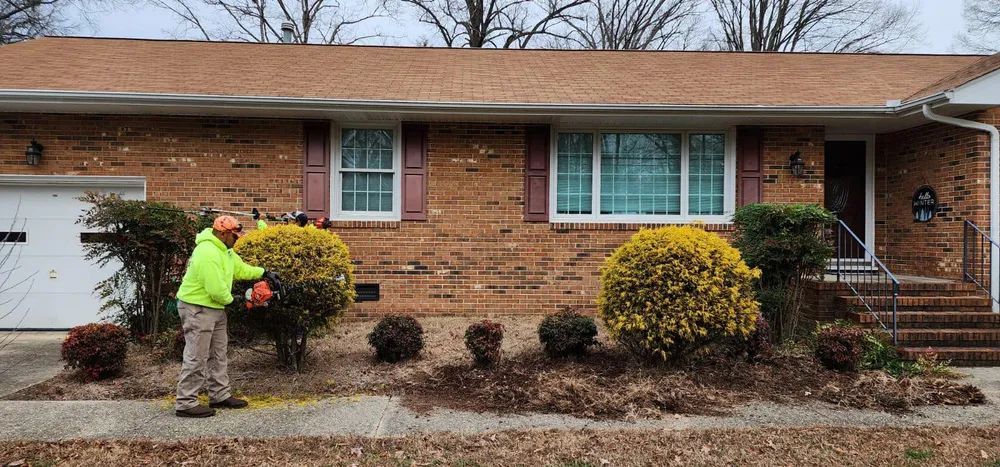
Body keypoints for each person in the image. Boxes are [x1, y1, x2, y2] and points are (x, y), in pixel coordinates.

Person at [173, 215, 279, 418]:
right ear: (223, 233)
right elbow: (215, 288)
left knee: (219, 353)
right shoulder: (206, 251)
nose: (237, 239)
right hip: (197, 308)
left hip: (215, 308)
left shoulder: (226, 251)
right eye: (235, 236)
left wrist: (264, 272)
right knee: (197, 355)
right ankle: (186, 402)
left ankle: (219, 395)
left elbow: (240, 269)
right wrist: (237, 300)